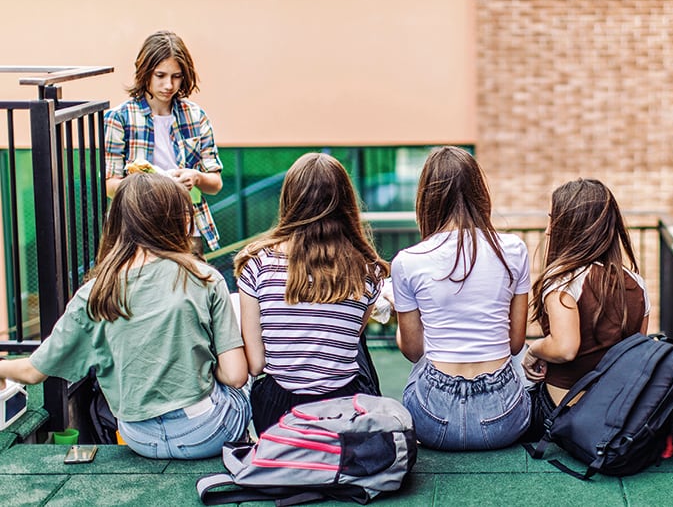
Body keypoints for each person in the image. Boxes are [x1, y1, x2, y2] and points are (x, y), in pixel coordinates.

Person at [0, 173, 250, 459]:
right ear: (177, 220)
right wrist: (210, 363)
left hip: (140, 439)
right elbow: (236, 375)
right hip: (206, 432)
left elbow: (33, 371)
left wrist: (1, 367)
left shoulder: (94, 292)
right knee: (247, 379)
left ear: (118, 221)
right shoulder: (205, 278)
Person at [235, 153, 388, 434]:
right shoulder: (369, 270)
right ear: (346, 203)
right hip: (343, 415)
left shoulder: (255, 262)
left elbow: (256, 365)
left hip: (277, 417)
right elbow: (348, 340)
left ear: (289, 200)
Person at [391, 146, 531, 450]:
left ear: (426, 199)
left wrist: (402, 322)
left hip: (432, 420)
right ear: (480, 192)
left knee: (421, 367)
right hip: (504, 420)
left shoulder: (407, 261)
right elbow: (516, 343)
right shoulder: (514, 250)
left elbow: (414, 351)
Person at [520, 179, 650, 440]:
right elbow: (638, 351)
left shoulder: (563, 281)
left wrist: (534, 349)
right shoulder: (637, 284)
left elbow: (565, 348)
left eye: (552, 220)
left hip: (560, 413)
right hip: (614, 414)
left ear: (571, 226)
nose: (547, 231)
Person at [105, 30, 223, 256]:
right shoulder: (119, 118)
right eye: (160, 75)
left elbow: (215, 184)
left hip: (187, 231)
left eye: (176, 76)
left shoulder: (196, 116)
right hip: (136, 233)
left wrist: (196, 177)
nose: (168, 85)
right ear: (145, 73)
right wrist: (155, 186)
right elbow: (110, 185)